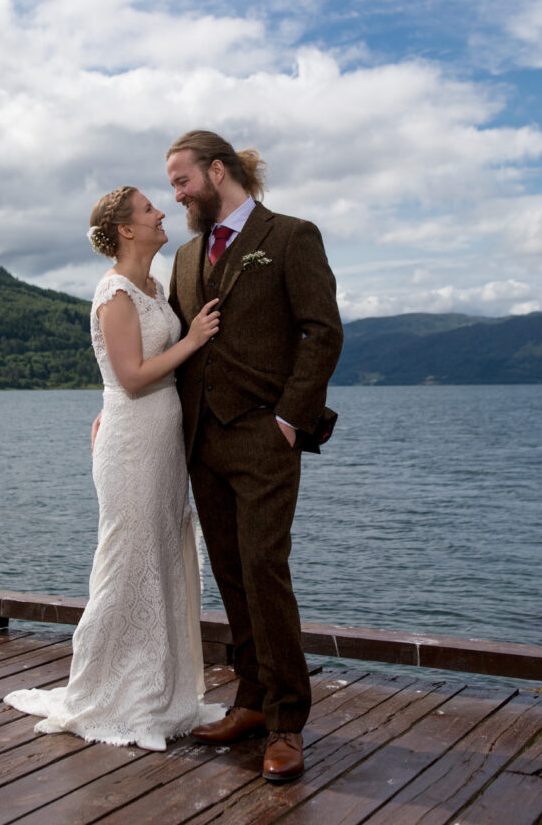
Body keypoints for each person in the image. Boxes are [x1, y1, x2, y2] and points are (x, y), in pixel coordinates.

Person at [4, 185, 225, 750]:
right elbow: (130, 376)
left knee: (162, 554)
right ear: (127, 229)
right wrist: (195, 338)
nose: (161, 213)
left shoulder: (156, 284)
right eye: (151, 209)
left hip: (161, 439)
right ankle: (104, 690)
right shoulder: (115, 290)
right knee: (127, 557)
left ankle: (160, 691)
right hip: (133, 441)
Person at [166, 130, 343, 782]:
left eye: (182, 180)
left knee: (265, 569)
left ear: (218, 171)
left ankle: (288, 724)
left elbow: (322, 331)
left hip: (265, 437)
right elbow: (181, 344)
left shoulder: (292, 236)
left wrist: (288, 421)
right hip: (201, 441)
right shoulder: (184, 257)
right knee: (232, 573)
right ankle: (250, 699)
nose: (177, 194)